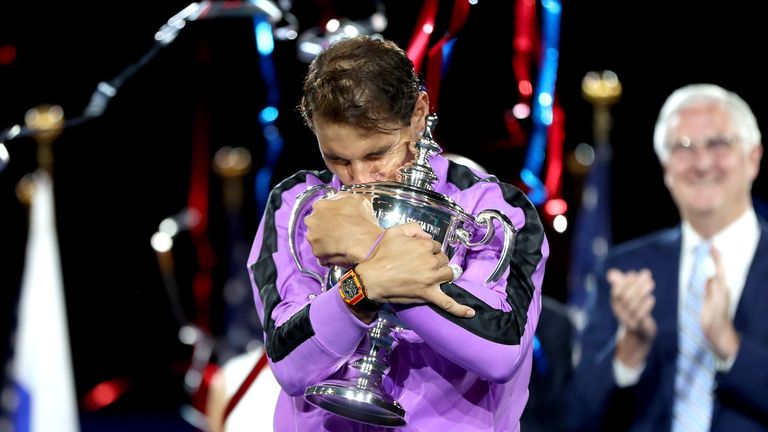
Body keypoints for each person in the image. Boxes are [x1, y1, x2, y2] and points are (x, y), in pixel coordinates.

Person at [246, 35, 548, 431]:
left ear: (419, 114)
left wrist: (370, 250)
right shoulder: (297, 204)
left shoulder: (494, 209)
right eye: (337, 159)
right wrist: (365, 285)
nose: (358, 178)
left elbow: (500, 352)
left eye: (376, 154)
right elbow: (290, 365)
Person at [569, 83, 768, 431]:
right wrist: (628, 351)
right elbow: (577, 415)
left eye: (719, 143)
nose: (702, 163)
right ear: (665, 169)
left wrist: (729, 346)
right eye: (683, 147)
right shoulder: (624, 269)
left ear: (753, 158)